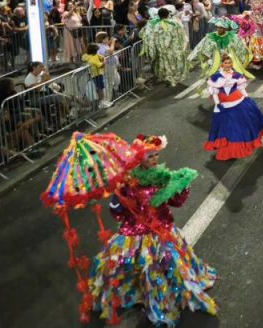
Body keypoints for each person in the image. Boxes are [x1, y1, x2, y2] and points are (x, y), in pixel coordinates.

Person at [88, 135, 217, 325]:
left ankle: (164, 296)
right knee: (133, 266)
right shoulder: (127, 182)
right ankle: (136, 293)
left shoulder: (162, 177)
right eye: (150, 156)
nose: (155, 159)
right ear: (139, 159)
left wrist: (182, 186)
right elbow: (116, 212)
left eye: (157, 155)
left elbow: (176, 202)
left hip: (161, 229)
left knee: (166, 267)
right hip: (135, 234)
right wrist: (120, 200)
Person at [204, 54, 263, 160]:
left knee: (240, 126)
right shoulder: (216, 77)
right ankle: (228, 150)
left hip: (238, 102)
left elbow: (241, 88)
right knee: (227, 129)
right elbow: (214, 92)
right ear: (222, 64)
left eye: (230, 63)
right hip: (224, 105)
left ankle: (241, 146)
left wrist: (247, 97)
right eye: (226, 63)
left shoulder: (236, 75)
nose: (228, 65)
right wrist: (218, 103)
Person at [188, 17, 252, 94]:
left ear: (225, 28)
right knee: (213, 74)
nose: (218, 29)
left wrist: (241, 58)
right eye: (217, 27)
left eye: (221, 27)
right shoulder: (211, 36)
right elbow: (201, 47)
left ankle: (230, 91)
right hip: (216, 59)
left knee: (230, 75)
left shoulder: (232, 36)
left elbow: (240, 47)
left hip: (228, 59)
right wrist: (195, 57)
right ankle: (216, 90)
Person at [139, 7, 189, 87]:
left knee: (162, 64)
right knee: (171, 63)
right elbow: (181, 35)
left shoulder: (153, 24)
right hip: (172, 49)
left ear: (158, 15)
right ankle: (171, 78)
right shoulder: (174, 23)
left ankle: (166, 78)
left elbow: (144, 34)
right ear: (168, 14)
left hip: (159, 49)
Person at [82, 43, 111, 108]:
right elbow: (101, 65)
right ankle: (102, 102)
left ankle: (102, 101)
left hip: (92, 74)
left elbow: (83, 58)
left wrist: (101, 57)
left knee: (98, 88)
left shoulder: (87, 56)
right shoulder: (94, 58)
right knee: (100, 88)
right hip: (97, 74)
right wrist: (105, 60)